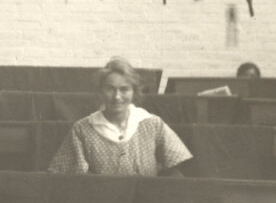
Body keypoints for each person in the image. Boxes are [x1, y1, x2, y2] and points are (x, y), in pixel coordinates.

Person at [46, 58, 192, 177]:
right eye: (110, 89)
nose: (117, 97)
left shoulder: (152, 124)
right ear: (100, 91)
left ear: (134, 92)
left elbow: (175, 169)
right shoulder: (82, 129)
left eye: (124, 89)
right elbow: (66, 176)